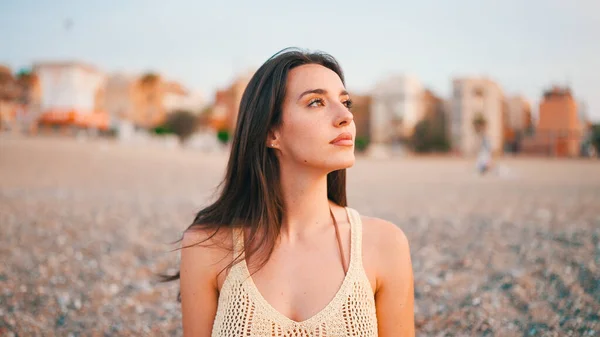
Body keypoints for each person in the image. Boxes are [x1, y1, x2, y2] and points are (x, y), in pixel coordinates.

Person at [172, 48, 414, 336]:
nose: (345, 116)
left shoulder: (384, 245)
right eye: (316, 102)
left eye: (345, 102)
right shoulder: (206, 247)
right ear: (270, 133)